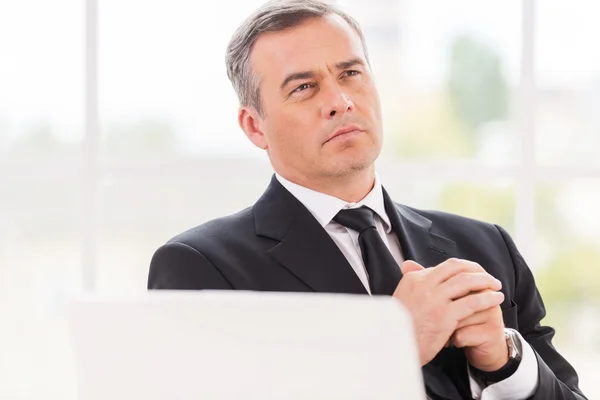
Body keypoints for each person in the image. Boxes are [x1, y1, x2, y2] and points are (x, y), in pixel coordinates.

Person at [147, 1, 587, 398]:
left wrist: (508, 362)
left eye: (350, 74)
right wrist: (390, 349)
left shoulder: (488, 247)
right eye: (303, 87)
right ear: (254, 126)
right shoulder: (199, 266)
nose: (339, 101)